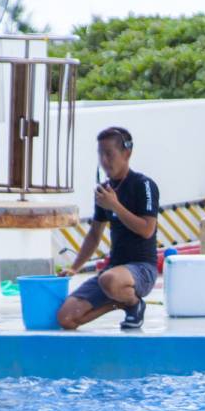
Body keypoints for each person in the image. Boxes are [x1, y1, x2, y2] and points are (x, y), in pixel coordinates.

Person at [57, 126, 160, 331]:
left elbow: (147, 229)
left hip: (142, 269)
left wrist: (115, 206)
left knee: (110, 280)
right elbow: (94, 235)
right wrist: (74, 267)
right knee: (66, 318)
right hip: (114, 271)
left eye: (109, 154)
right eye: (100, 154)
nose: (104, 160)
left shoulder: (144, 185)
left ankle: (133, 302)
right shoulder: (104, 191)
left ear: (126, 153)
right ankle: (121, 303)